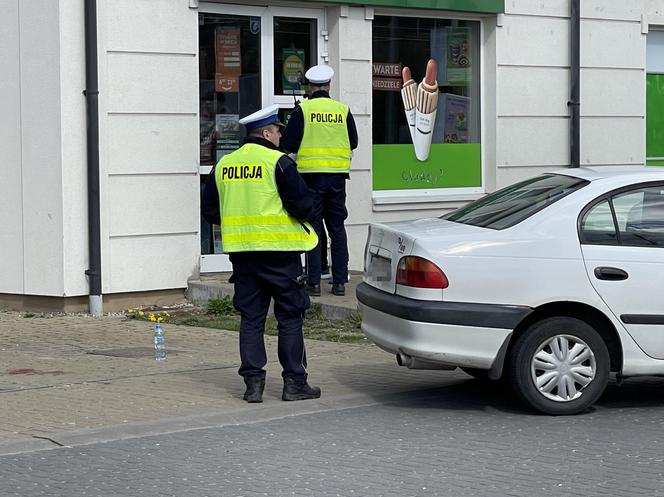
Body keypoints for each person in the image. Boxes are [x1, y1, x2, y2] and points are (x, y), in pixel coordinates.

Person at [202, 104, 322, 404]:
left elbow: (210, 211)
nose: (281, 136)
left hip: (243, 256)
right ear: (267, 133)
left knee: (252, 319)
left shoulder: (225, 165)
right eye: (278, 131)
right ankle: (295, 383)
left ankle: (253, 386)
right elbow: (304, 206)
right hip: (281, 254)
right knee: (290, 317)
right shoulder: (278, 163)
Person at [281, 64, 358, 297]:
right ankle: (340, 282)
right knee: (337, 229)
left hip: (310, 179)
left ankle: (313, 282)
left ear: (310, 87)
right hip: (337, 179)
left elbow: (288, 144)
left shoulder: (303, 110)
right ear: (329, 86)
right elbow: (353, 142)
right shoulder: (342, 110)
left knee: (312, 229)